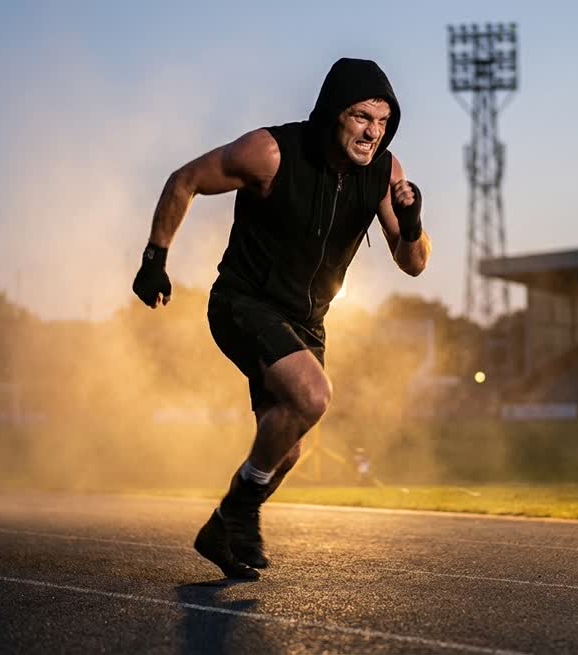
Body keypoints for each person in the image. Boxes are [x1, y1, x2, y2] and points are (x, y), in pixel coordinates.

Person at [132, 58, 431, 579]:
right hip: (242, 302)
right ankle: (244, 512)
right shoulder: (270, 153)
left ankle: (221, 527)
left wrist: (411, 223)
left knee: (285, 451)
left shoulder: (386, 171)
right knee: (312, 395)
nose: (373, 132)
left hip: (306, 321)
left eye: (383, 122)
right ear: (334, 113)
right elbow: (185, 180)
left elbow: (414, 264)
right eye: (362, 117)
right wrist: (154, 259)